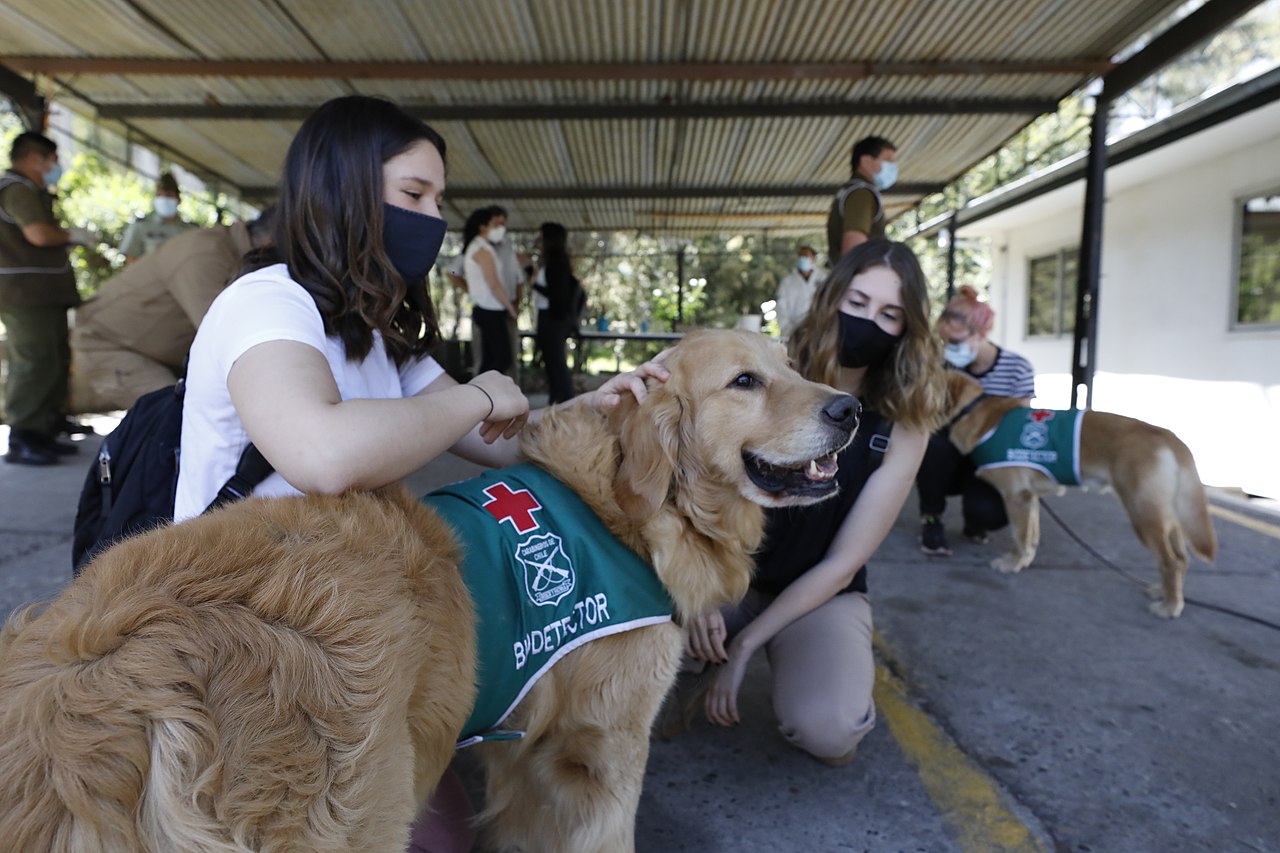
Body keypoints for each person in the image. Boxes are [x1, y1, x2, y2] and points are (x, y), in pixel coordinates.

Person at [172, 95, 665, 853]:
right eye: (413, 196)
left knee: (437, 841)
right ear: (341, 191)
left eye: (438, 199)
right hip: (249, 635)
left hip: (351, 628)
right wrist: (473, 394)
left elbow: (502, 440)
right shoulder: (265, 304)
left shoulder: (376, 326)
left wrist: (592, 409)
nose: (433, 219)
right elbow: (324, 452)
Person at [680, 239, 946, 766]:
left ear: (907, 329)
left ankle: (784, 657)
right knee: (635, 670)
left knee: (829, 730)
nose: (869, 322)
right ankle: (700, 653)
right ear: (830, 298)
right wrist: (697, 594)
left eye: (889, 314)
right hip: (727, 573)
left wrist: (747, 646)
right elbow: (690, 481)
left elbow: (845, 563)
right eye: (858, 303)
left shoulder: (902, 425)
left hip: (820, 592)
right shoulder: (771, 368)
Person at [70, 207, 275, 412]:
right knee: (180, 418)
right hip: (109, 345)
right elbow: (228, 343)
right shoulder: (204, 254)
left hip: (155, 353)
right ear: (270, 242)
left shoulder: (239, 253)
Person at [916, 285, 1037, 556]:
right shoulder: (942, 366)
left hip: (993, 456)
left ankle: (976, 522)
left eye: (956, 342)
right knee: (933, 444)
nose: (948, 350)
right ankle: (931, 519)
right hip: (951, 455)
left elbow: (1022, 423)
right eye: (944, 342)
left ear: (981, 334)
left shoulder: (1018, 368)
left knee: (990, 513)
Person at [0, 131, 95, 466]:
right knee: (33, 361)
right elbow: (38, 234)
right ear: (34, 158)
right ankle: (24, 435)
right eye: (53, 160)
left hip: (41, 292)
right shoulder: (17, 189)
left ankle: (46, 427)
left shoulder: (31, 190)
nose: (56, 167)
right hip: (24, 294)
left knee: (53, 357)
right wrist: (72, 235)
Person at [460, 205, 519, 377]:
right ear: (483, 227)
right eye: (495, 225)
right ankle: (482, 393)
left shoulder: (481, 247)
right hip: (490, 310)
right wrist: (510, 307)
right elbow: (493, 283)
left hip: (486, 310)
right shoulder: (481, 250)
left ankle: (483, 396)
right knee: (503, 359)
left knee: (489, 359)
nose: (499, 230)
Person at [531, 221, 584, 404]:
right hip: (552, 319)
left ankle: (567, 406)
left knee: (557, 366)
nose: (539, 239)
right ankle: (556, 405)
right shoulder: (555, 260)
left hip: (553, 320)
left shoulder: (556, 262)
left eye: (542, 236)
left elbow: (557, 295)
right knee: (553, 366)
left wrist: (534, 284)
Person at [826, 136, 897, 265]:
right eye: (887, 160)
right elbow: (854, 249)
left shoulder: (850, 190)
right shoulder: (861, 194)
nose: (893, 167)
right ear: (866, 161)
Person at [118, 172, 196, 264]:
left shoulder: (190, 231)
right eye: (159, 195)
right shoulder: (140, 227)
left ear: (178, 199)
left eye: (169, 195)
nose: (164, 199)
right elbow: (131, 261)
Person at [774, 244, 825, 340]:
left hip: (819, 331)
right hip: (793, 332)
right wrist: (787, 329)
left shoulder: (824, 279)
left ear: (814, 258)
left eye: (806, 256)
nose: (803, 259)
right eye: (801, 256)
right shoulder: (787, 282)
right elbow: (781, 307)